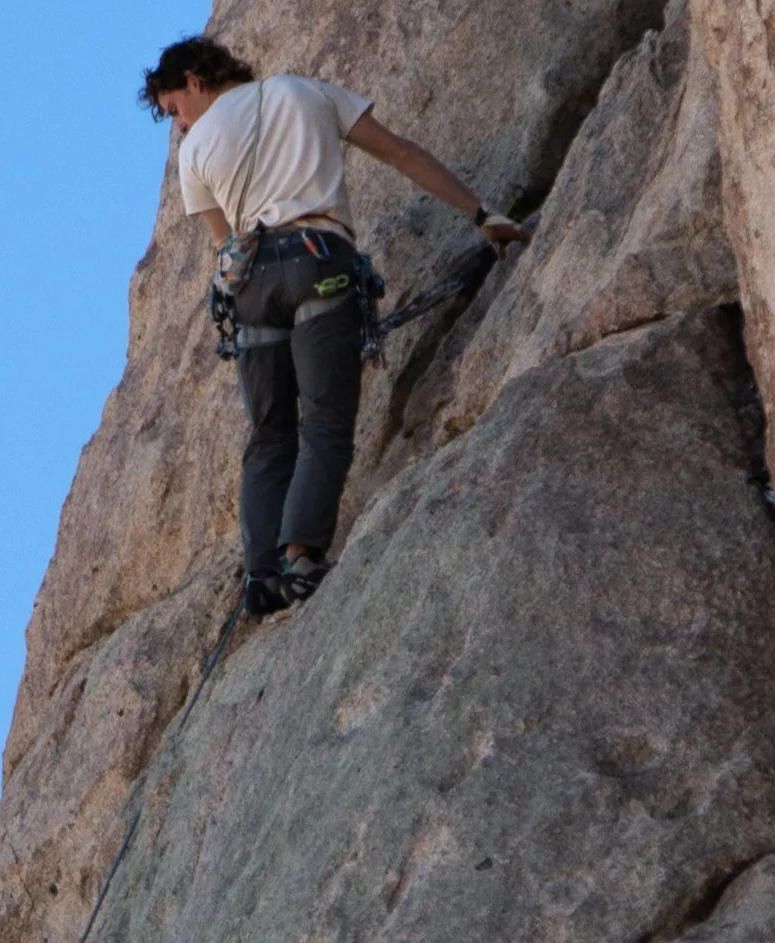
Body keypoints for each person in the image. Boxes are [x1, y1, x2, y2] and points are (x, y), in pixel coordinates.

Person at [142, 36, 524, 617]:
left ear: (194, 79)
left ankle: (261, 574)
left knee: (270, 436)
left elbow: (228, 246)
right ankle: (300, 558)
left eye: (175, 109)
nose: (180, 125)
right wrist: (480, 214)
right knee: (325, 419)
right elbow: (400, 153)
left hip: (252, 293)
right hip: (317, 258)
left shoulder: (194, 153)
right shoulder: (306, 92)